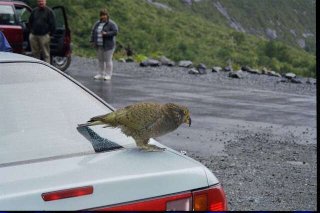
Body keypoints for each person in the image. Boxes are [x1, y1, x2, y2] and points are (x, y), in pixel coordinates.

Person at [90, 8, 118, 80]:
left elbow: (115, 32)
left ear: (107, 15)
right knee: (100, 60)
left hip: (108, 46)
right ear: (100, 16)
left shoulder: (111, 23)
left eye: (105, 15)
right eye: (102, 15)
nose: (103, 16)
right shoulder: (97, 23)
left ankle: (108, 75)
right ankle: (100, 74)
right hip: (99, 45)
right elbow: (93, 32)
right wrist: (92, 41)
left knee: (108, 60)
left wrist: (106, 33)